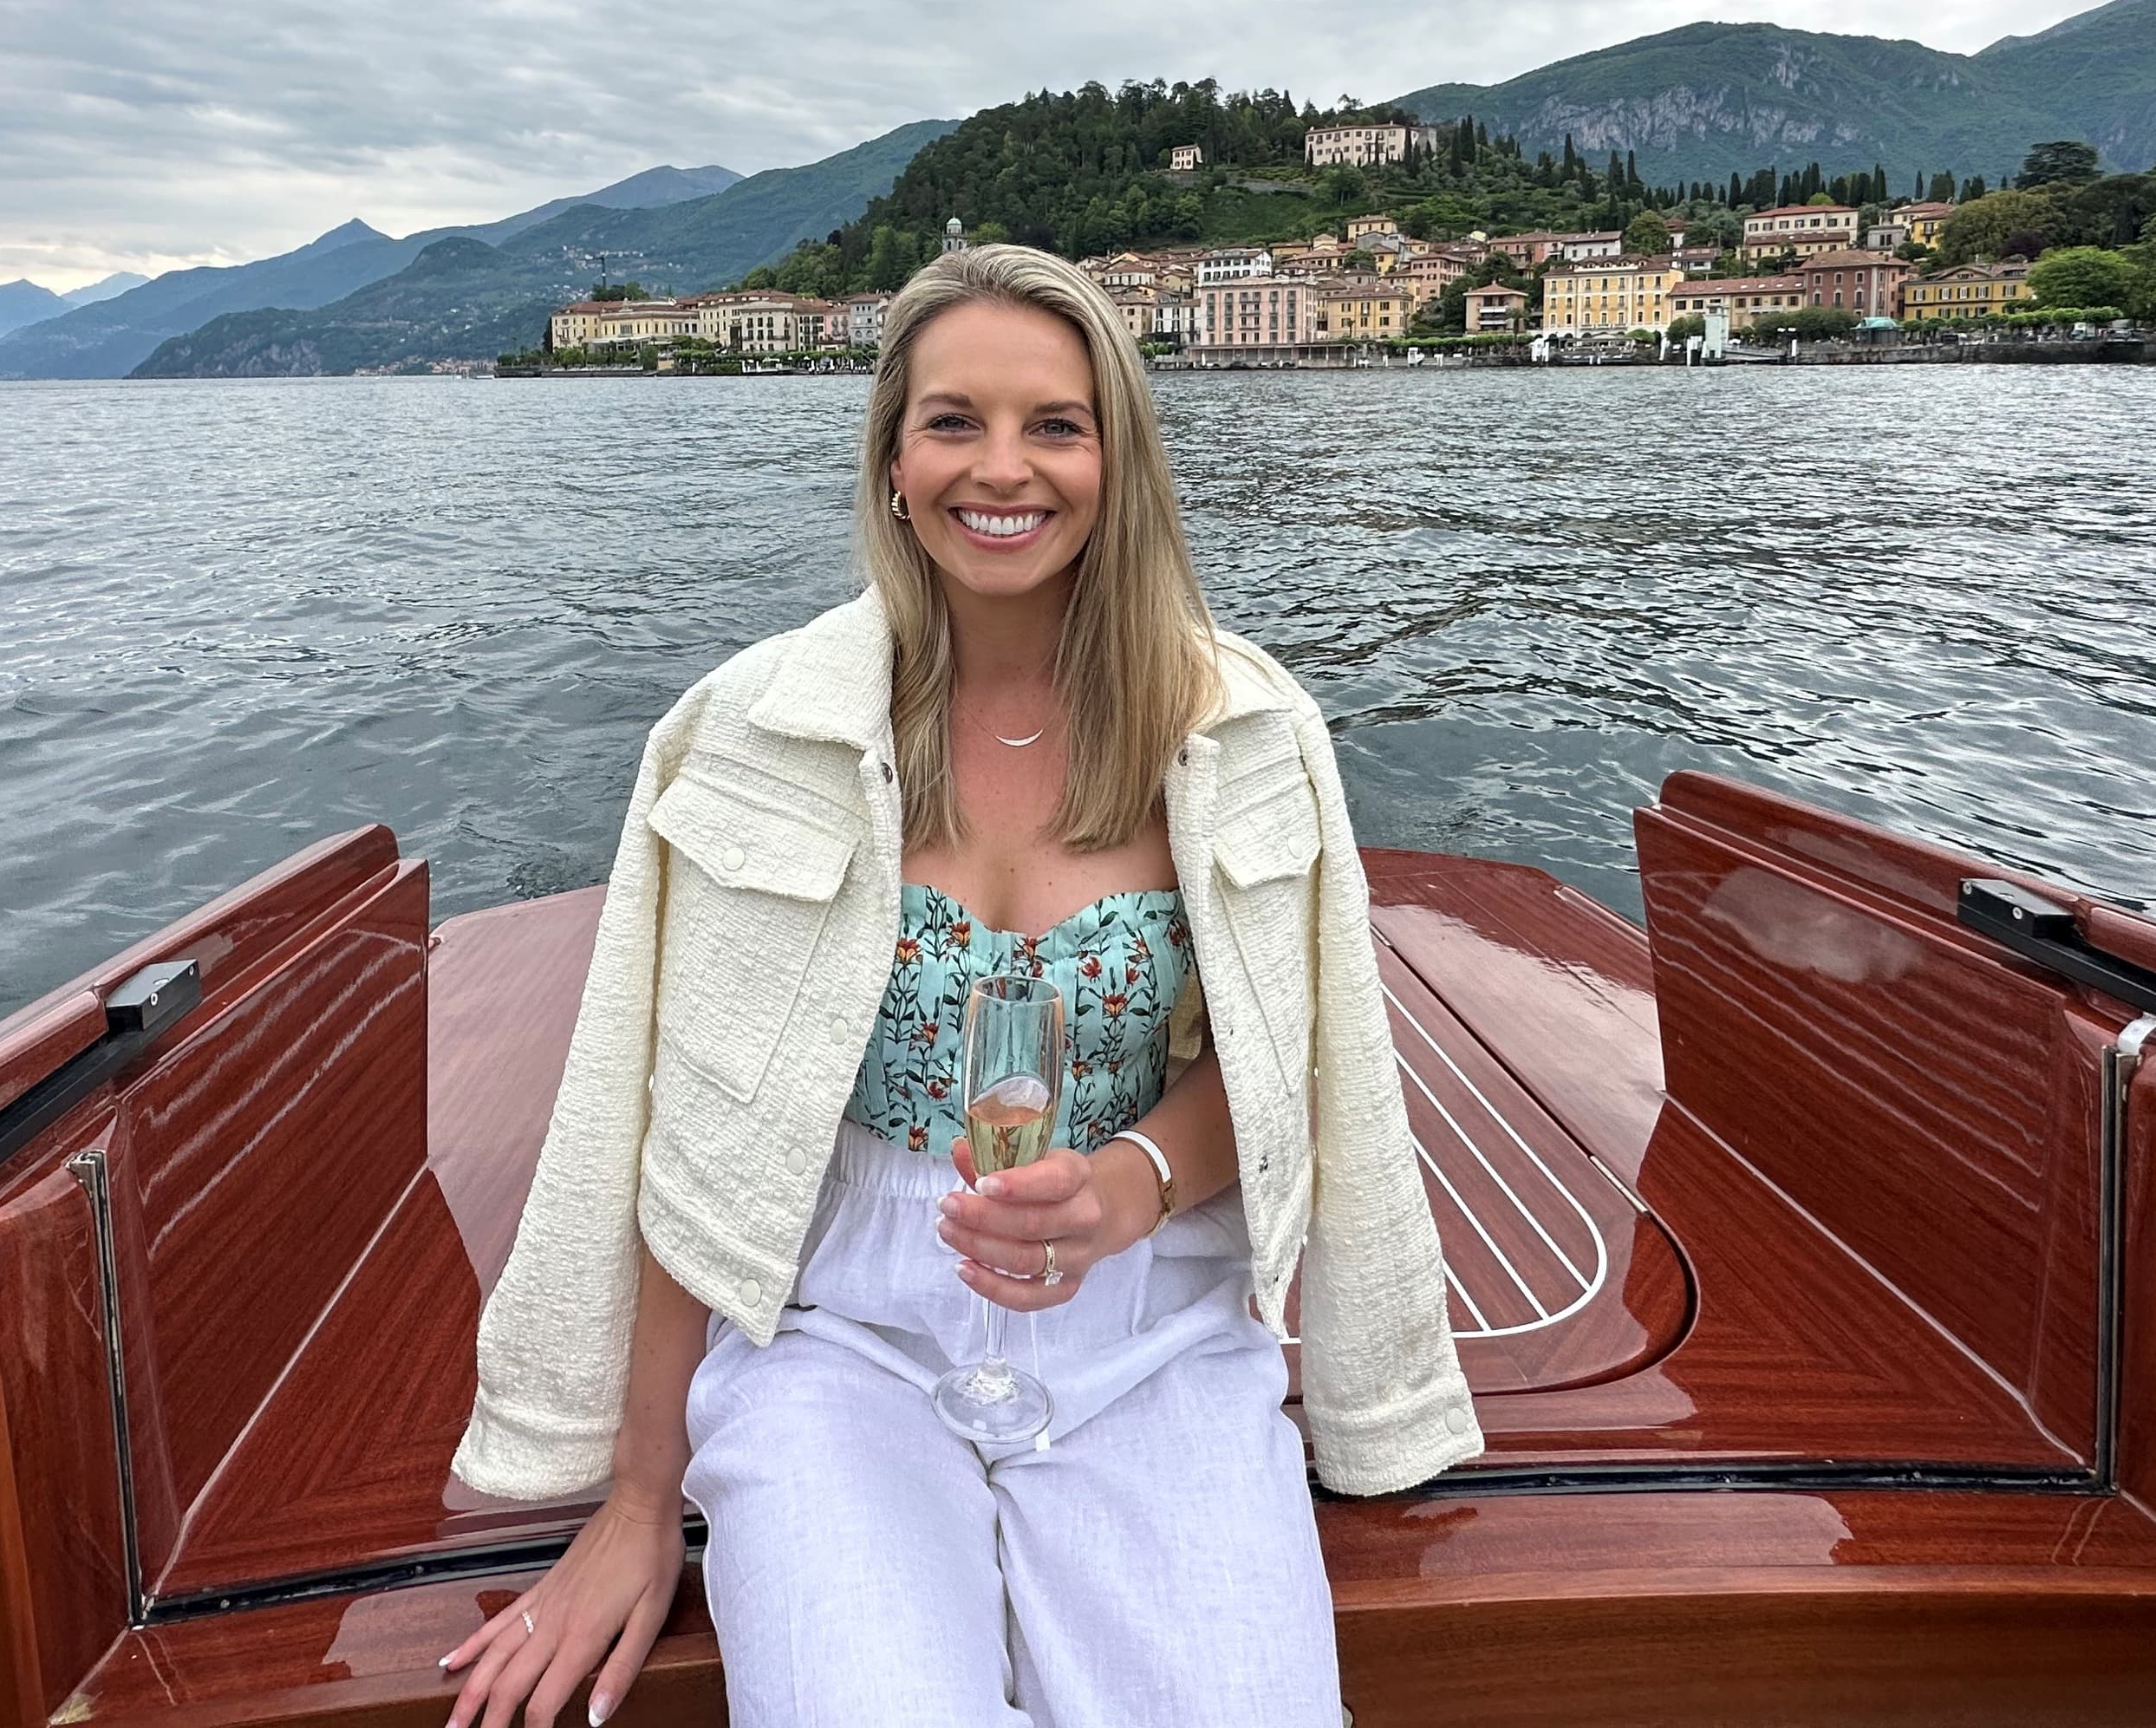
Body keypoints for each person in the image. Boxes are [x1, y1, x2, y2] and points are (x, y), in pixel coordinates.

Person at [442, 245, 1478, 1727]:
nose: (1003, 467)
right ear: (892, 460)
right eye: (953, 422)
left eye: (1055, 424)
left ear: (1119, 461)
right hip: (833, 1328)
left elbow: (1286, 1073)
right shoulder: (753, 733)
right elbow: (699, 1126)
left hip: (1155, 1322)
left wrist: (1126, 1186)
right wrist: (638, 1496)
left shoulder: (1244, 732)